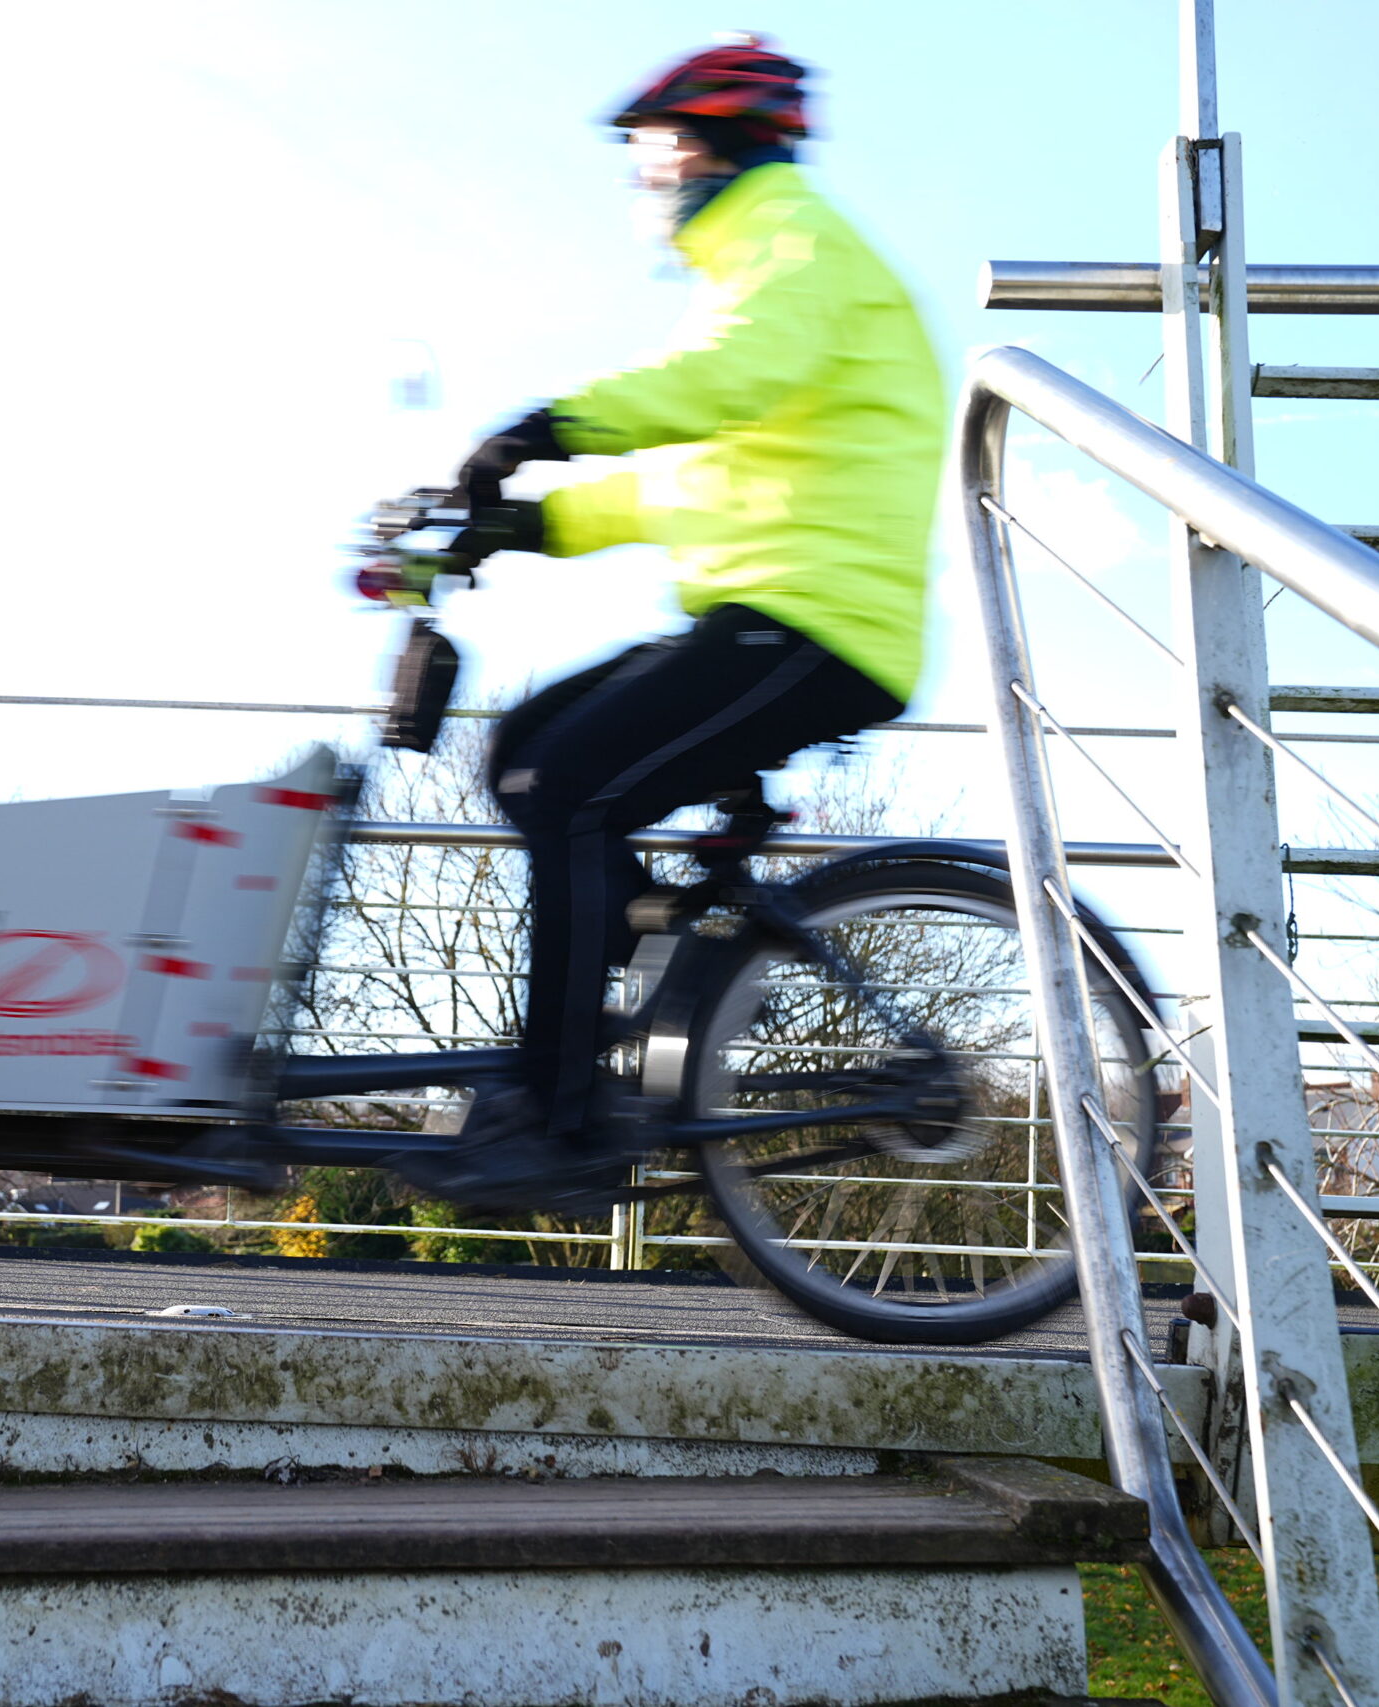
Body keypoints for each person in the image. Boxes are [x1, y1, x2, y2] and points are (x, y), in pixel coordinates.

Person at [417, 36, 946, 1203]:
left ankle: (555, 1119)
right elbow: (690, 479)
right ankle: (623, 977)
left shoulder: (791, 242)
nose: (643, 182)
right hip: (764, 611)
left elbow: (724, 378)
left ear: (702, 144)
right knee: (522, 753)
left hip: (816, 622)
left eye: (649, 152)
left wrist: (550, 424)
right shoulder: (763, 260)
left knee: (569, 786)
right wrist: (524, 525)